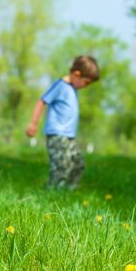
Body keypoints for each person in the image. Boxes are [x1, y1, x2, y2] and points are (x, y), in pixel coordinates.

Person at [25, 55, 100, 190]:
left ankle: (67, 191)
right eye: (86, 82)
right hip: (57, 135)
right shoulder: (60, 86)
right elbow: (42, 101)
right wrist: (33, 123)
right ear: (77, 74)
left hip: (69, 136)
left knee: (78, 164)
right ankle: (52, 192)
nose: (86, 86)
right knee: (62, 165)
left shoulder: (72, 88)